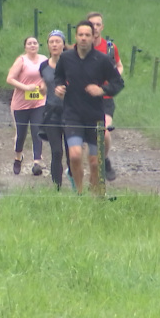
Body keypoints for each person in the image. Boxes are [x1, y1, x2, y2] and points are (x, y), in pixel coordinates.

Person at [54, 20, 124, 195]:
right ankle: (79, 194)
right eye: (80, 35)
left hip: (95, 116)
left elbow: (118, 83)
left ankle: (95, 196)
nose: (84, 38)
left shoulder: (102, 60)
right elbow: (58, 77)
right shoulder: (66, 58)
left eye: (87, 35)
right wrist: (59, 87)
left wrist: (102, 90)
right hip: (72, 115)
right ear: (76, 37)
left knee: (94, 162)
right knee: (75, 155)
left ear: (94, 37)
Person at [86, 11, 124, 181]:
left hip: (106, 99)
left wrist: (114, 80)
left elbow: (119, 66)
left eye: (98, 24)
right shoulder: (81, 47)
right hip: (85, 100)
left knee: (105, 133)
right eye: (92, 24)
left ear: (102, 26)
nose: (95, 27)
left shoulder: (110, 47)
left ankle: (105, 160)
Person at [6, 36, 47, 176]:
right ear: (25, 47)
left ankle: (37, 163)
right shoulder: (21, 61)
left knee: (37, 131)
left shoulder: (44, 60)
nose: (32, 45)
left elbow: (48, 76)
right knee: (21, 134)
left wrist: (44, 85)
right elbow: (10, 78)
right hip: (21, 103)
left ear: (38, 46)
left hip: (39, 101)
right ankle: (18, 157)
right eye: (29, 43)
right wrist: (25, 87)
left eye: (35, 43)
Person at [38, 30, 67, 189]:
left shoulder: (71, 63)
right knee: (56, 152)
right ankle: (57, 188)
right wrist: (43, 87)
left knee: (72, 154)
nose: (55, 45)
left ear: (63, 44)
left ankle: (77, 188)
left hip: (70, 113)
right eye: (52, 42)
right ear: (48, 45)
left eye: (58, 41)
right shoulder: (43, 66)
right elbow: (44, 82)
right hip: (51, 113)